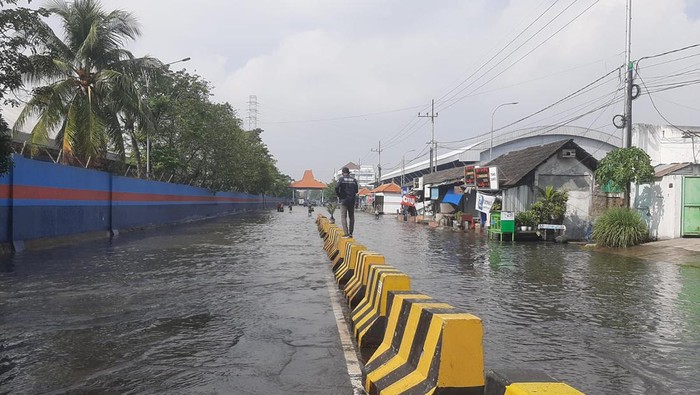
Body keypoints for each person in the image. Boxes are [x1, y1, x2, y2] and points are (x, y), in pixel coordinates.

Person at [335, 167, 359, 238]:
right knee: (351, 216)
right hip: (352, 200)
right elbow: (356, 191)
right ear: (348, 173)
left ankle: (346, 233)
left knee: (343, 216)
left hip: (344, 200)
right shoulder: (354, 180)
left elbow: (336, 187)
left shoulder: (341, 179)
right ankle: (351, 233)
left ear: (342, 173)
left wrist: (339, 195)